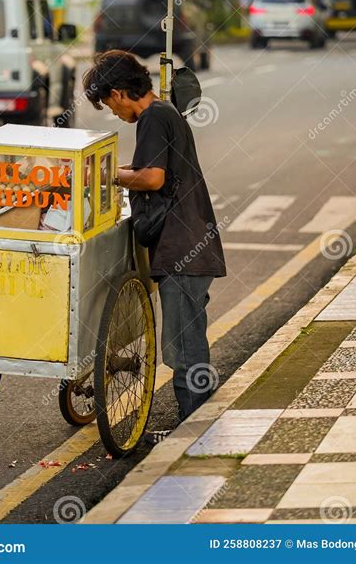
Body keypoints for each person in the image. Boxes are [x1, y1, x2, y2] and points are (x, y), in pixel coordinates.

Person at [83, 50, 226, 439]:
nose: (113, 113)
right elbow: (146, 169)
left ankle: (193, 433)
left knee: (183, 346)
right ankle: (195, 425)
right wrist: (108, 170)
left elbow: (153, 179)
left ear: (118, 93)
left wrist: (111, 180)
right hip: (186, 245)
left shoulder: (151, 118)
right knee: (187, 339)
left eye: (109, 104)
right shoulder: (163, 113)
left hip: (183, 248)